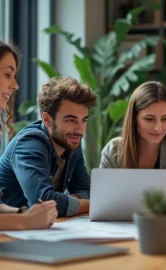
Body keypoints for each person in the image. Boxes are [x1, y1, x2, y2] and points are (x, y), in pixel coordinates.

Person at [0, 75, 97, 217]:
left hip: (41, 228)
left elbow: (86, 190)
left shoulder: (71, 141)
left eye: (83, 120)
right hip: (9, 231)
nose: (80, 129)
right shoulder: (29, 143)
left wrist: (64, 202)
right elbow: (43, 202)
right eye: (71, 120)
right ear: (47, 119)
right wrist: (90, 204)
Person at [99, 81, 166, 207]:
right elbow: (102, 197)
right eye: (149, 119)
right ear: (134, 119)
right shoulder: (113, 149)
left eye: (165, 119)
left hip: (163, 219)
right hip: (119, 222)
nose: (158, 128)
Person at [0, 40, 57, 230]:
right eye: (8, 74)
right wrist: (25, 221)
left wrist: (24, 213)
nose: (15, 85)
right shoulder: (31, 139)